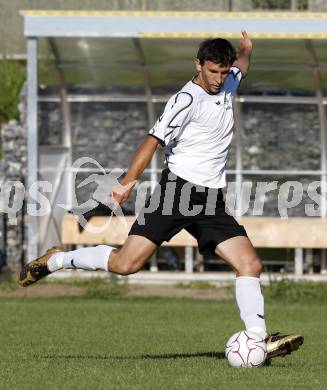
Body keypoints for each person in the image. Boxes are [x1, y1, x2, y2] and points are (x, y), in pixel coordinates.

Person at [18, 31, 303, 361]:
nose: (218, 78)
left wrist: (245, 50)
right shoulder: (185, 100)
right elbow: (152, 140)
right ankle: (56, 260)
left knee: (250, 264)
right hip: (176, 193)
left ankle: (258, 339)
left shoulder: (227, 81)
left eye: (223, 72)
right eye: (212, 71)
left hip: (210, 201)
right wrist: (128, 181)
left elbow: (242, 67)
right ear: (198, 65)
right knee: (127, 264)